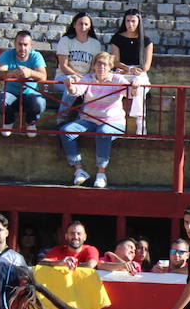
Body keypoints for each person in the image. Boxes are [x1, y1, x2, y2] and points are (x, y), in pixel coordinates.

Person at [61, 51, 129, 188]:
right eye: (98, 64)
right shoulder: (88, 78)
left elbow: (130, 92)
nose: (101, 67)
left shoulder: (117, 79)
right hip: (90, 120)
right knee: (66, 131)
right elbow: (77, 90)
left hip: (113, 122)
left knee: (103, 132)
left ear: (110, 67)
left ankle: (101, 173)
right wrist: (70, 86)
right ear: (93, 66)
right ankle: (79, 170)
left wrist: (135, 86)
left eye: (105, 64)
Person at [106, 10, 154, 135]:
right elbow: (115, 61)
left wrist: (135, 70)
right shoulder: (117, 38)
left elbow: (147, 65)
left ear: (139, 22)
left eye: (133, 21)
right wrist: (128, 69)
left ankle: (140, 126)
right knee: (113, 87)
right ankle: (112, 123)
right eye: (128, 21)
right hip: (122, 71)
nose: (130, 24)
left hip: (138, 73)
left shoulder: (146, 40)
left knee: (139, 87)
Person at [0, 30, 49, 135]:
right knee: (1, 102)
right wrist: (13, 72)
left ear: (30, 46)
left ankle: (30, 122)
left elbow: (43, 76)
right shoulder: (8, 54)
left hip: (30, 95)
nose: (22, 48)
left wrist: (30, 72)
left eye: (25, 45)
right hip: (10, 94)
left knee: (39, 103)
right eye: (20, 44)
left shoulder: (36, 56)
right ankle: (8, 120)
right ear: (15, 44)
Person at [53, 12, 104, 115]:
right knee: (72, 83)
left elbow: (93, 67)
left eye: (86, 24)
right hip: (63, 78)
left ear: (90, 27)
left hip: (85, 79)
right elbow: (63, 66)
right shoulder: (66, 40)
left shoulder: (95, 44)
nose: (83, 27)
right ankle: (62, 117)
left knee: (86, 90)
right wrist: (78, 77)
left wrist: (85, 79)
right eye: (80, 24)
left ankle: (81, 121)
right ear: (74, 25)